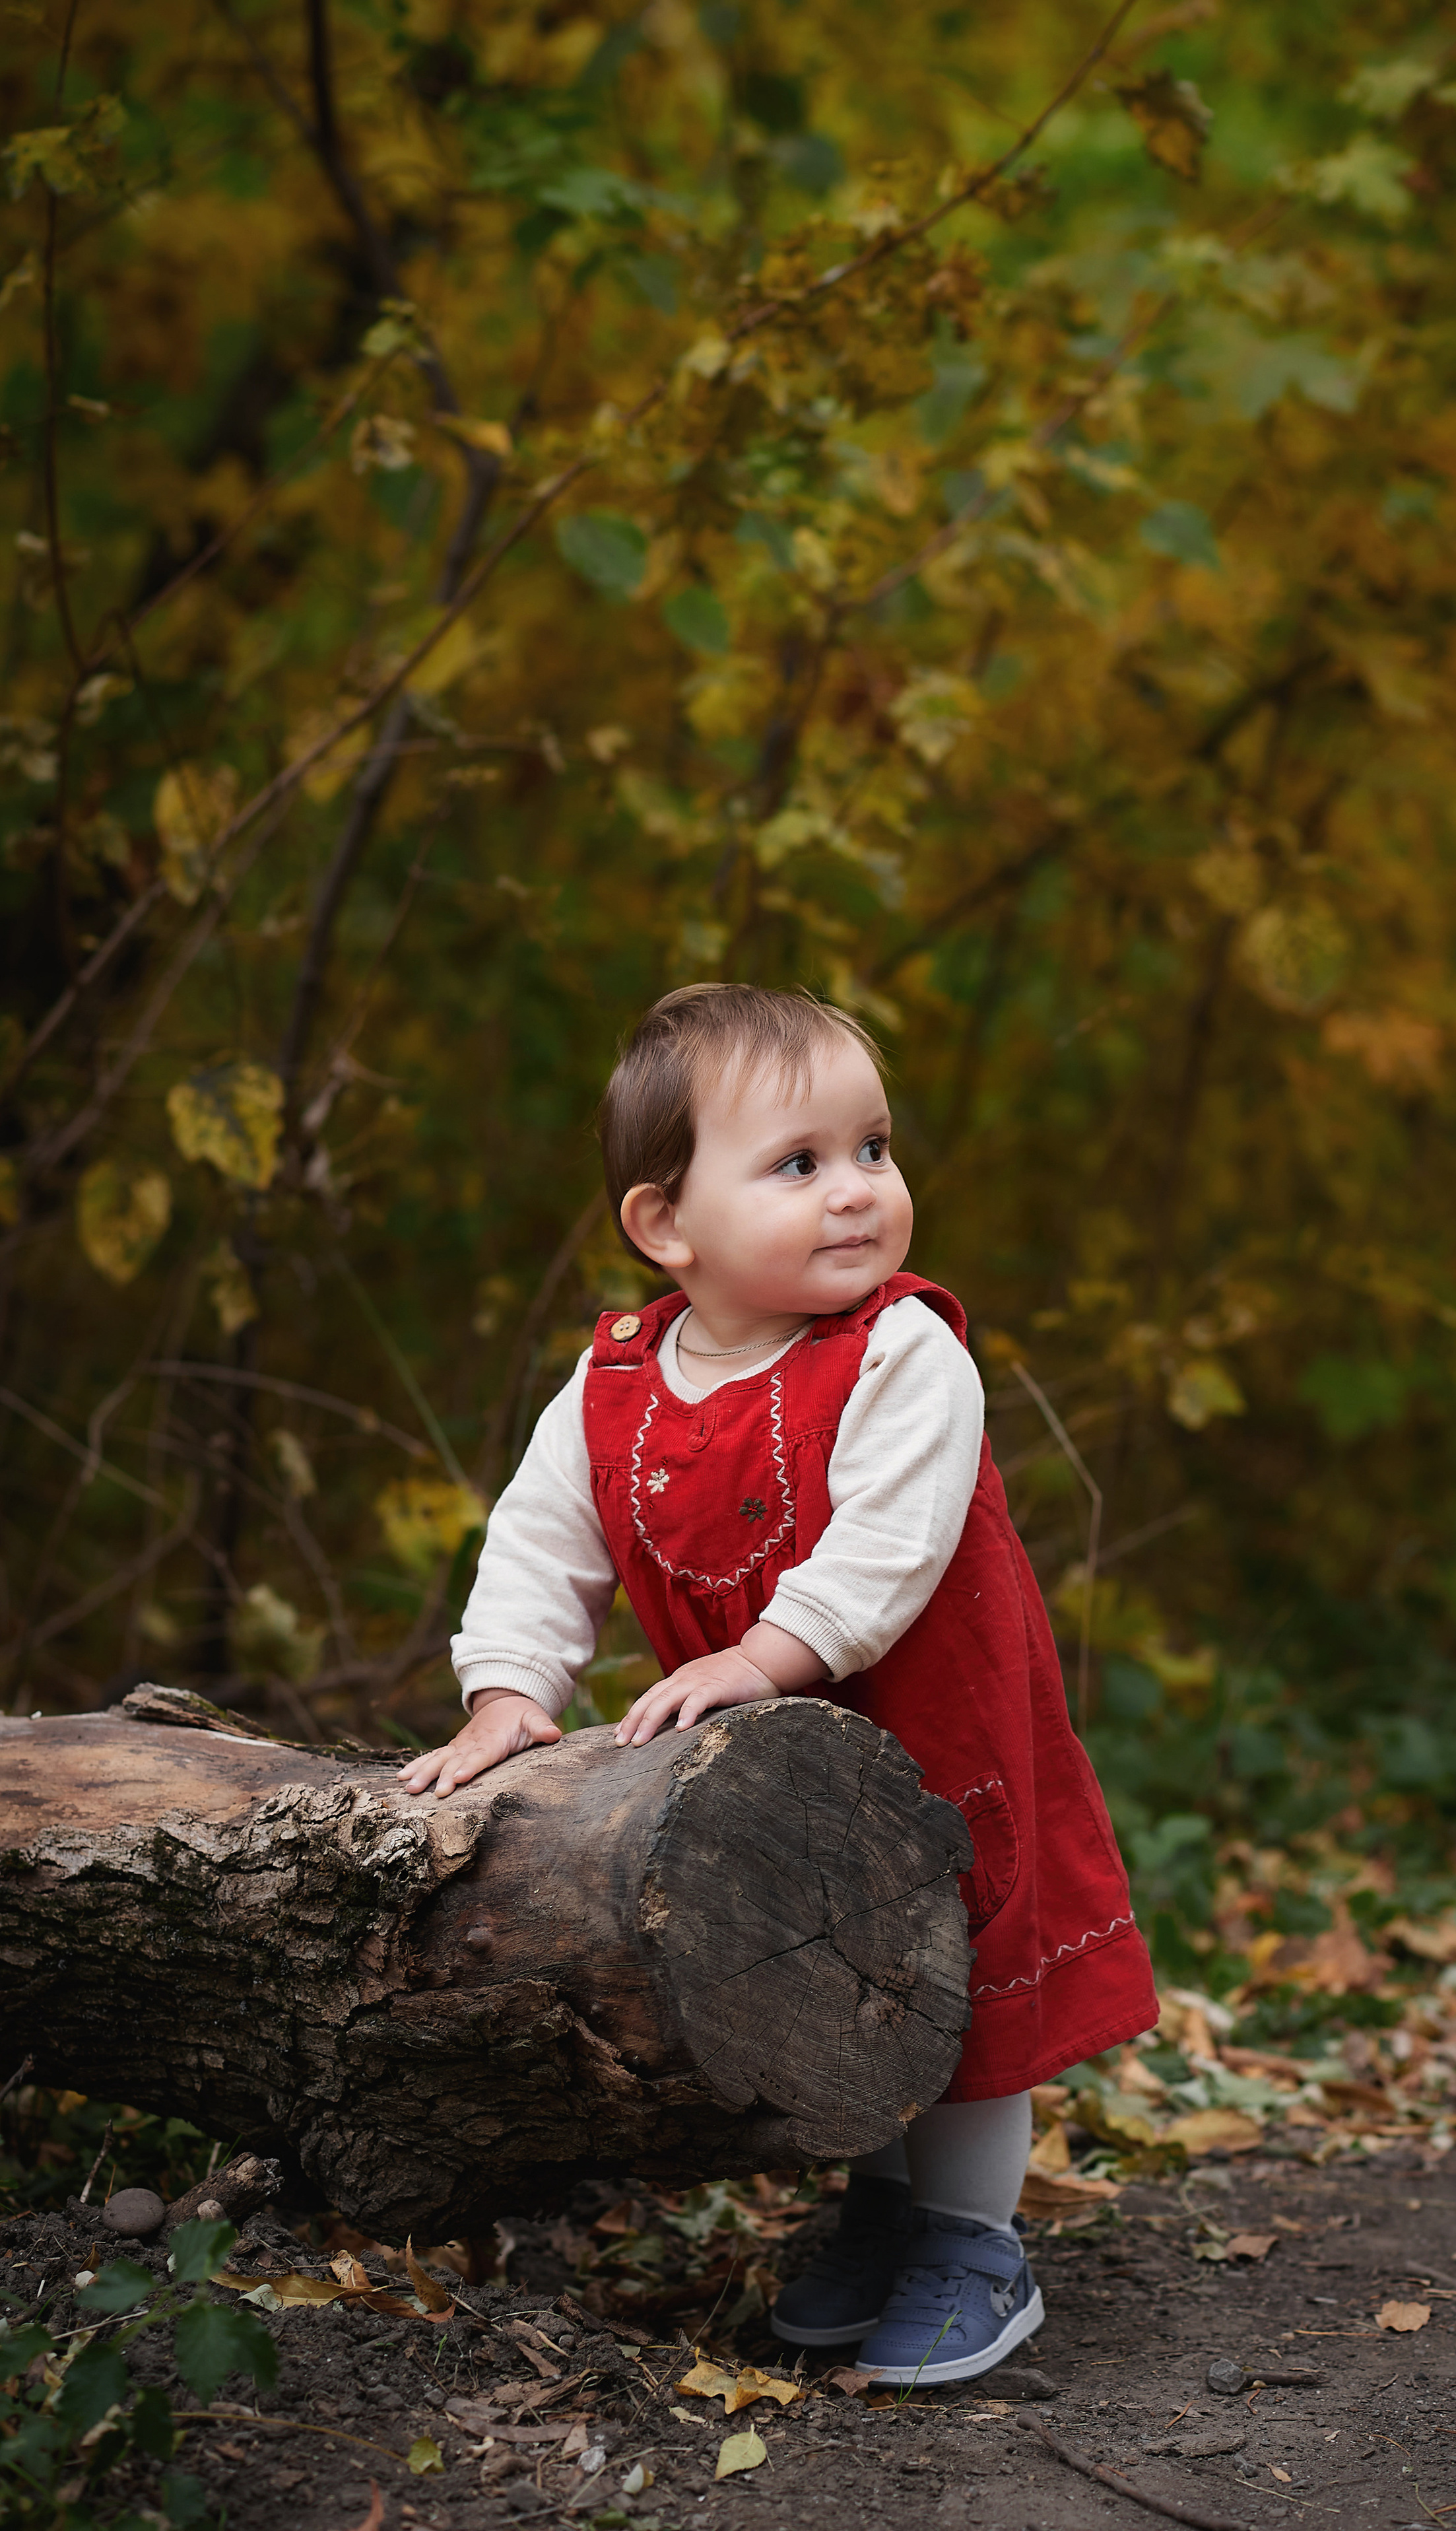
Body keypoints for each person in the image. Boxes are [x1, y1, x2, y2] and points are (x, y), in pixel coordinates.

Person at [399, 983, 1158, 2383]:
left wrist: (759, 1654)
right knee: (832, 1965)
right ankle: (881, 2209)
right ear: (666, 1223)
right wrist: (507, 1688)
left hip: (936, 1732)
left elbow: (891, 1543)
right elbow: (540, 1543)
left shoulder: (902, 1353)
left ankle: (971, 2239)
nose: (857, 1189)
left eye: (873, 1148)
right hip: (777, 1767)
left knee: (956, 1961)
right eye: (799, 1163)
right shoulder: (615, 1387)